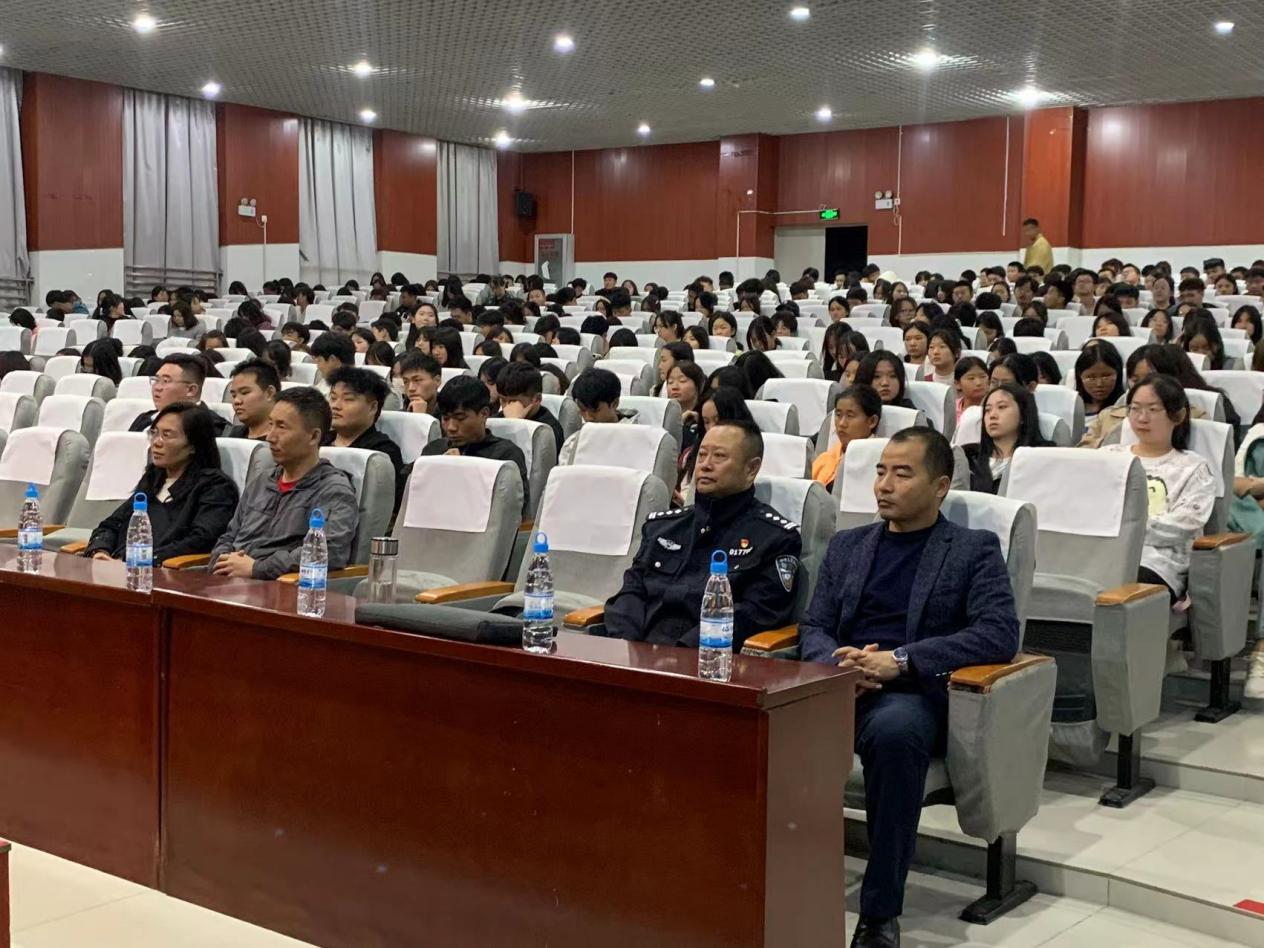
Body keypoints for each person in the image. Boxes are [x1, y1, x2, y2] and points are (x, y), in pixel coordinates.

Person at [799, 428, 1020, 946]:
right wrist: (837, 665)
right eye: (880, 471)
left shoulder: (972, 549)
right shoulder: (849, 545)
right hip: (839, 684)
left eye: (902, 474)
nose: (884, 485)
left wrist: (900, 662)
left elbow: (998, 633)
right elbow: (814, 625)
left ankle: (879, 914)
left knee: (895, 734)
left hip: (912, 694)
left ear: (940, 486)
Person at [603, 420, 801, 648]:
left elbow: (755, 614)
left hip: (708, 656)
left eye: (719, 456)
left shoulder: (775, 538)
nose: (705, 465)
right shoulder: (663, 527)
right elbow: (631, 592)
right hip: (638, 651)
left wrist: (680, 653)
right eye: (702, 455)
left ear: (751, 469)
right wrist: (625, 646)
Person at [209, 387, 359, 579]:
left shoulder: (333, 490)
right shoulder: (263, 480)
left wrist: (258, 568)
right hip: (228, 579)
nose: (270, 437)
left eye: (281, 427)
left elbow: (328, 552)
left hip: (276, 586)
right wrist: (222, 560)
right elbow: (230, 535)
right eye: (270, 424)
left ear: (313, 436)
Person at [1101, 375, 1215, 603]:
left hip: (1158, 564)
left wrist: (1123, 531)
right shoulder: (1108, 457)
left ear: (1178, 416)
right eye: (1135, 409)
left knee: (1120, 586)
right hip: (1102, 553)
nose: (1142, 418)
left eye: (1153, 410)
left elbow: (1183, 526)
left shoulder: (1193, 467)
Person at [84, 403, 239, 563]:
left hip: (163, 572)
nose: (156, 442)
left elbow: (199, 541)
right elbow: (112, 524)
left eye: (167, 435)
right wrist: (100, 550)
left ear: (193, 445)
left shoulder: (215, 487)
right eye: (154, 433)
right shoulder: (153, 478)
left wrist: (137, 560)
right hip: (122, 566)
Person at [421, 376, 529, 514]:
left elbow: (511, 511)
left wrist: (462, 472)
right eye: (446, 418)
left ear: (484, 414)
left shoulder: (505, 456)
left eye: (460, 418)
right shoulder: (434, 450)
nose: (451, 427)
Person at [326, 367, 406, 513]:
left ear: (373, 407)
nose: (335, 406)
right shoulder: (317, 441)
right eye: (333, 398)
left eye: (348, 399)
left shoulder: (383, 452)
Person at [961, 383, 1050, 492]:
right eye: (987, 410)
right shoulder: (968, 457)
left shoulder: (1042, 458)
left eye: (1001, 407)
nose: (992, 415)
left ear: (1023, 414)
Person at [128, 353, 229, 435]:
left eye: (165, 381)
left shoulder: (214, 427)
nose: (157, 387)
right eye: (156, 380)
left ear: (191, 390)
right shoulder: (144, 419)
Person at [558, 368, 641, 464]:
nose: (588, 417)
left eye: (594, 411)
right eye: (583, 410)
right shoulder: (574, 442)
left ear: (615, 403)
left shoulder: (638, 439)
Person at [811, 385, 882, 488]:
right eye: (838, 415)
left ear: (872, 421)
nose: (841, 423)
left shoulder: (879, 462)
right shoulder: (824, 459)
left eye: (850, 416)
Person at [492, 362, 564, 453]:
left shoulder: (548, 430)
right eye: (503, 400)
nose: (507, 407)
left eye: (513, 401)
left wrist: (514, 424)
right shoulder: (495, 421)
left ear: (537, 399)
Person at [226, 359, 280, 440]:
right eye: (234, 396)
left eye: (244, 393)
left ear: (269, 393)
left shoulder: (285, 440)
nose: (236, 401)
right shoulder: (233, 436)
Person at [1073, 344, 1123, 424]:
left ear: (1118, 374)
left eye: (1106, 376)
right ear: (1080, 377)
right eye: (1091, 378)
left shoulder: (1125, 409)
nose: (1099, 384)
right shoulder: (1071, 409)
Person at [396, 351, 442, 417]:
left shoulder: (450, 415)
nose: (410, 388)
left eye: (417, 380)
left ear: (437, 380)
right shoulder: (399, 416)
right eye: (405, 382)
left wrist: (419, 417)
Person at [954, 355, 989, 420]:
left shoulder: (994, 409)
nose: (978, 383)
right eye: (971, 378)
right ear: (957, 383)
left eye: (983, 377)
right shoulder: (951, 409)